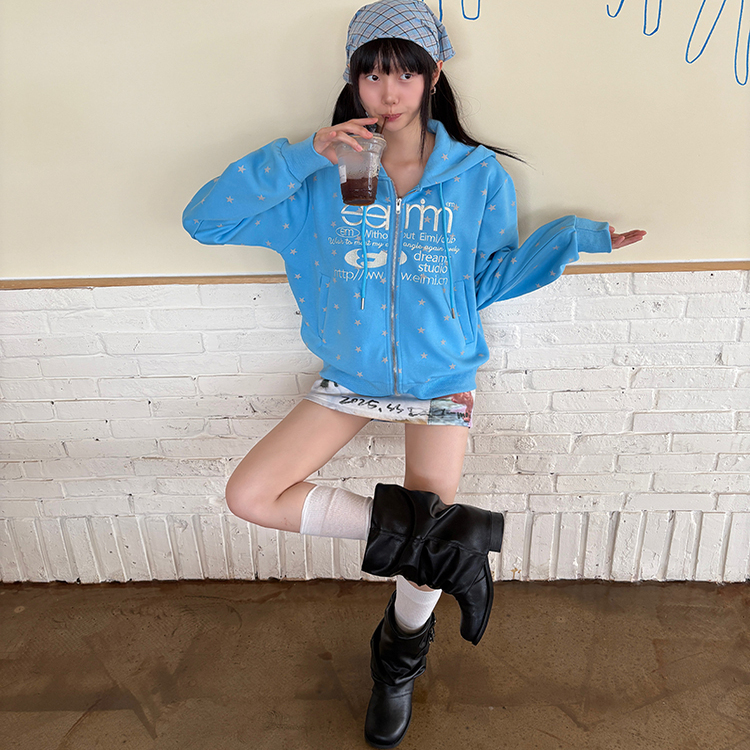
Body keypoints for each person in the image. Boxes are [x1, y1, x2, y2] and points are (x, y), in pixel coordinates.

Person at [182, 1, 646, 746]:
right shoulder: (326, 174)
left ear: (433, 75)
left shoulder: (476, 175)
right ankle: (447, 540)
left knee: (425, 547)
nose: (388, 91)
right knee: (253, 495)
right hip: (351, 372)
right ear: (353, 80)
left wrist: (571, 239)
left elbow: (485, 279)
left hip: (439, 375)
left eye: (404, 74)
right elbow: (205, 221)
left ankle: (398, 661)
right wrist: (303, 156)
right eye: (371, 75)